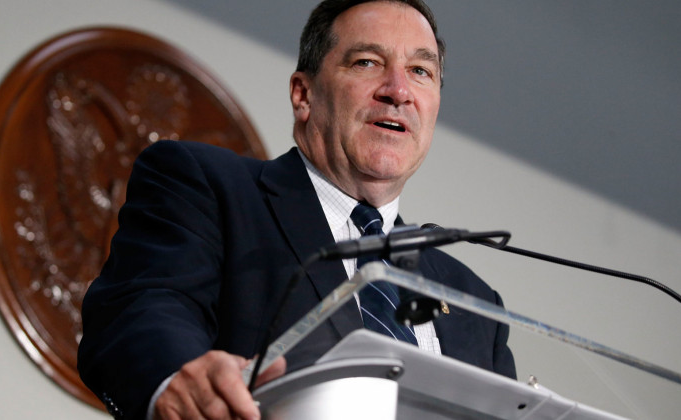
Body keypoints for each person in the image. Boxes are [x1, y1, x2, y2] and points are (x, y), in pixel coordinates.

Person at [78, 1, 516, 419]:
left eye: (420, 71)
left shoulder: (476, 303)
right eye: (367, 62)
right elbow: (145, 305)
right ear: (303, 94)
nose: (398, 91)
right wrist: (176, 378)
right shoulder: (209, 187)